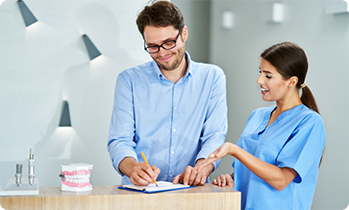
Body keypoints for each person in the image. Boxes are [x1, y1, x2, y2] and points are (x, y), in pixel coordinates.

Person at [107, 0, 227, 186]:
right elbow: (120, 140)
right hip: (141, 191)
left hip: (191, 189)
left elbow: (214, 135)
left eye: (168, 43)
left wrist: (202, 167)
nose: (162, 53)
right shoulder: (128, 80)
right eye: (153, 46)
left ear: (184, 33)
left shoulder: (212, 77)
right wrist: (132, 168)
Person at [195, 42, 326, 210]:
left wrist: (234, 150)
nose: (259, 80)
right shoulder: (257, 116)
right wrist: (230, 179)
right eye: (260, 72)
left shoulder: (309, 123)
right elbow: (248, 172)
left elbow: (281, 180)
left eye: (268, 76)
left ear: (291, 81)